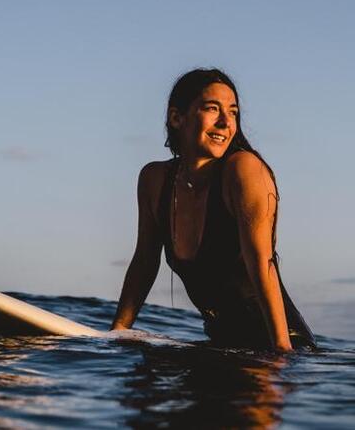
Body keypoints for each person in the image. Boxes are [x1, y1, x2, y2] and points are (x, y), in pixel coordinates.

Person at [111, 68, 315, 351]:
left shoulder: (243, 170)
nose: (225, 122)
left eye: (232, 112)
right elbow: (144, 261)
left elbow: (262, 263)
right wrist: (117, 334)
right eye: (212, 109)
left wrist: (282, 354)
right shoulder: (155, 180)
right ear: (176, 117)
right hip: (220, 345)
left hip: (274, 345)